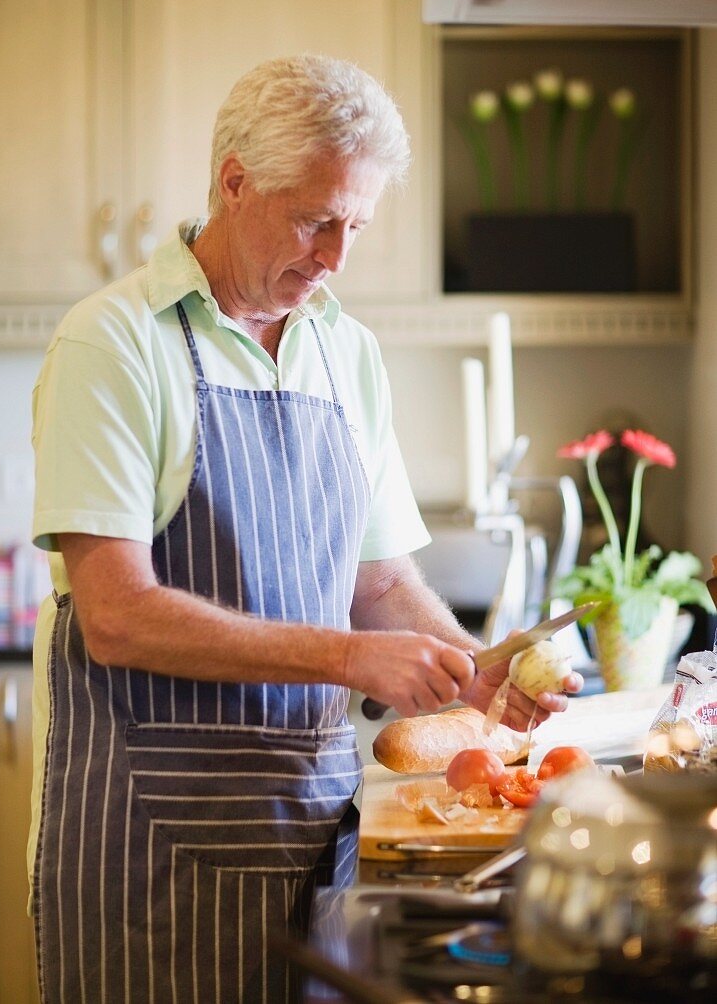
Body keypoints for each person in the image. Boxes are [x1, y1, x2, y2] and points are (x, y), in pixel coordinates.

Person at [29, 53, 582, 1003]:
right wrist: (348, 658)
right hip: (147, 855)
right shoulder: (113, 343)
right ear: (233, 181)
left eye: (356, 225)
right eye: (315, 219)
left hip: (314, 834)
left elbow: (379, 582)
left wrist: (474, 671)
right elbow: (116, 615)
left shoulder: (344, 350)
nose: (335, 258)